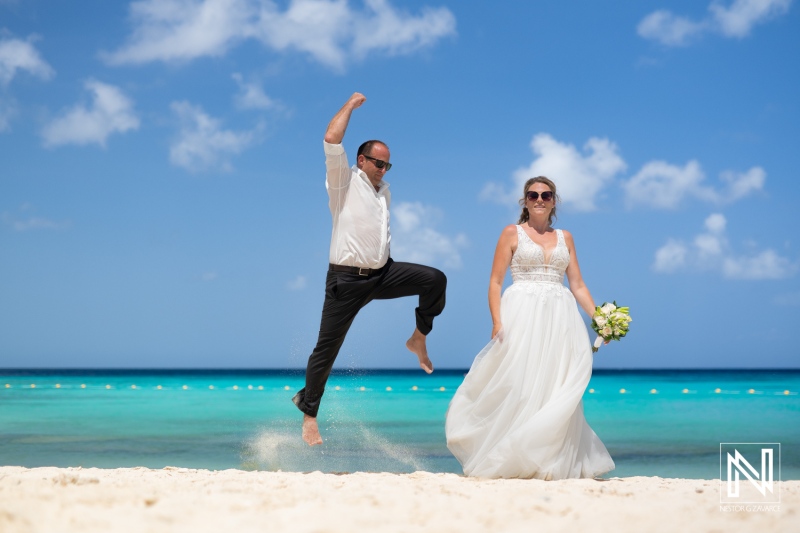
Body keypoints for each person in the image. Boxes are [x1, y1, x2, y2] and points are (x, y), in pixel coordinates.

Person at [293, 92, 447, 446]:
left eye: (388, 165)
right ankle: (309, 415)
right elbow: (331, 140)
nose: (383, 170)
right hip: (346, 281)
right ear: (362, 160)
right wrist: (348, 106)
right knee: (326, 350)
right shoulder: (344, 182)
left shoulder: (383, 192)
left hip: (383, 273)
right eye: (379, 163)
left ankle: (418, 337)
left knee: (435, 279)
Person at [445, 176, 614, 479]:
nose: (539, 200)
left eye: (546, 195)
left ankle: (549, 459)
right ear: (524, 200)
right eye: (533, 195)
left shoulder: (566, 237)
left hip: (560, 316)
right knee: (519, 383)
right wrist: (497, 321)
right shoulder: (512, 233)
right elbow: (495, 282)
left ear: (554, 201)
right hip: (521, 313)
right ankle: (509, 454)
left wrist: (600, 318)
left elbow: (577, 284)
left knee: (556, 384)